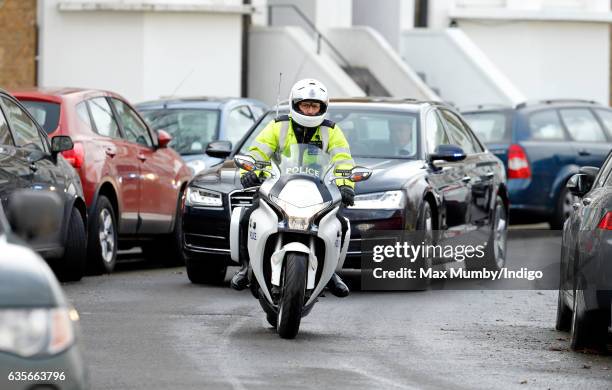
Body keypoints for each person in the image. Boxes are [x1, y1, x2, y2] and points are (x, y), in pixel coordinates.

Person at [231, 78, 355, 298]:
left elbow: (343, 161)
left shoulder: (332, 131)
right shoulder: (278, 126)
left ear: (322, 108)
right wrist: (249, 173)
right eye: (305, 105)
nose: (309, 111)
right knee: (247, 217)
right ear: (296, 105)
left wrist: (346, 186)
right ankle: (247, 266)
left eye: (314, 106)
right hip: (279, 186)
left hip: (319, 190)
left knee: (341, 224)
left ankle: (332, 272)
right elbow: (257, 153)